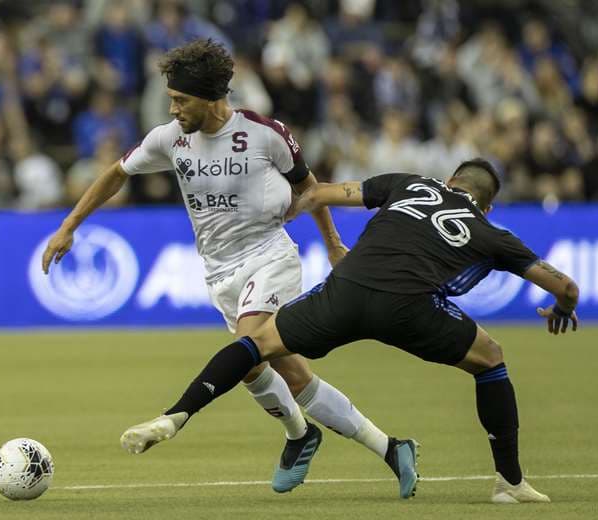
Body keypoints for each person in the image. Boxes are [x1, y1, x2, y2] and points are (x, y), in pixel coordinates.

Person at [42, 39, 402, 494]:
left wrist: (332, 244)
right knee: (275, 371)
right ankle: (369, 444)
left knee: (248, 346)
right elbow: (117, 173)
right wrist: (68, 226)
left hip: (270, 256)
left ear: (211, 98)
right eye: (171, 99)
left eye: (181, 100)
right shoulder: (169, 139)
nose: (172, 109)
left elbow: (310, 189)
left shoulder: (265, 134)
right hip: (219, 273)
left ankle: (186, 418)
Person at [120, 158, 581, 503]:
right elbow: (566, 286)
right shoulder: (490, 232)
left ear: (448, 180)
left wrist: (296, 222)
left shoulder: (410, 184)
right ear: (488, 204)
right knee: (491, 358)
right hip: (410, 309)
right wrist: (562, 307)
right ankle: (510, 483)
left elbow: (320, 194)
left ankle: (176, 415)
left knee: (256, 345)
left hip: (345, 292)